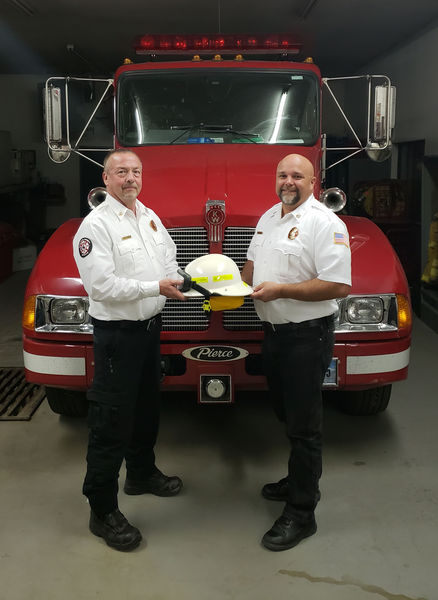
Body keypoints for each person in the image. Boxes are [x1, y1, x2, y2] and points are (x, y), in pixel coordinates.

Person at [73, 148, 186, 552]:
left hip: (149, 331)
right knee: (111, 421)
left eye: (135, 172)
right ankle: (101, 508)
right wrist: (156, 287)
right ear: (106, 179)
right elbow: (101, 287)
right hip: (117, 337)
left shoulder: (149, 217)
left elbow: (169, 259)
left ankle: (140, 474)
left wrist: (189, 280)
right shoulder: (95, 227)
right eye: (121, 172)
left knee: (146, 408)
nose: (130, 179)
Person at [241, 153, 351, 551]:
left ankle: (302, 513)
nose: (289, 181)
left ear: (313, 181)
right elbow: (251, 269)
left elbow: (338, 285)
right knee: (285, 412)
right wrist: (219, 283)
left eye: (297, 176)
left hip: (307, 337)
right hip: (273, 334)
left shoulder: (325, 224)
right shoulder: (269, 217)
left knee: (305, 426)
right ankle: (297, 477)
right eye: (283, 175)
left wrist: (282, 291)